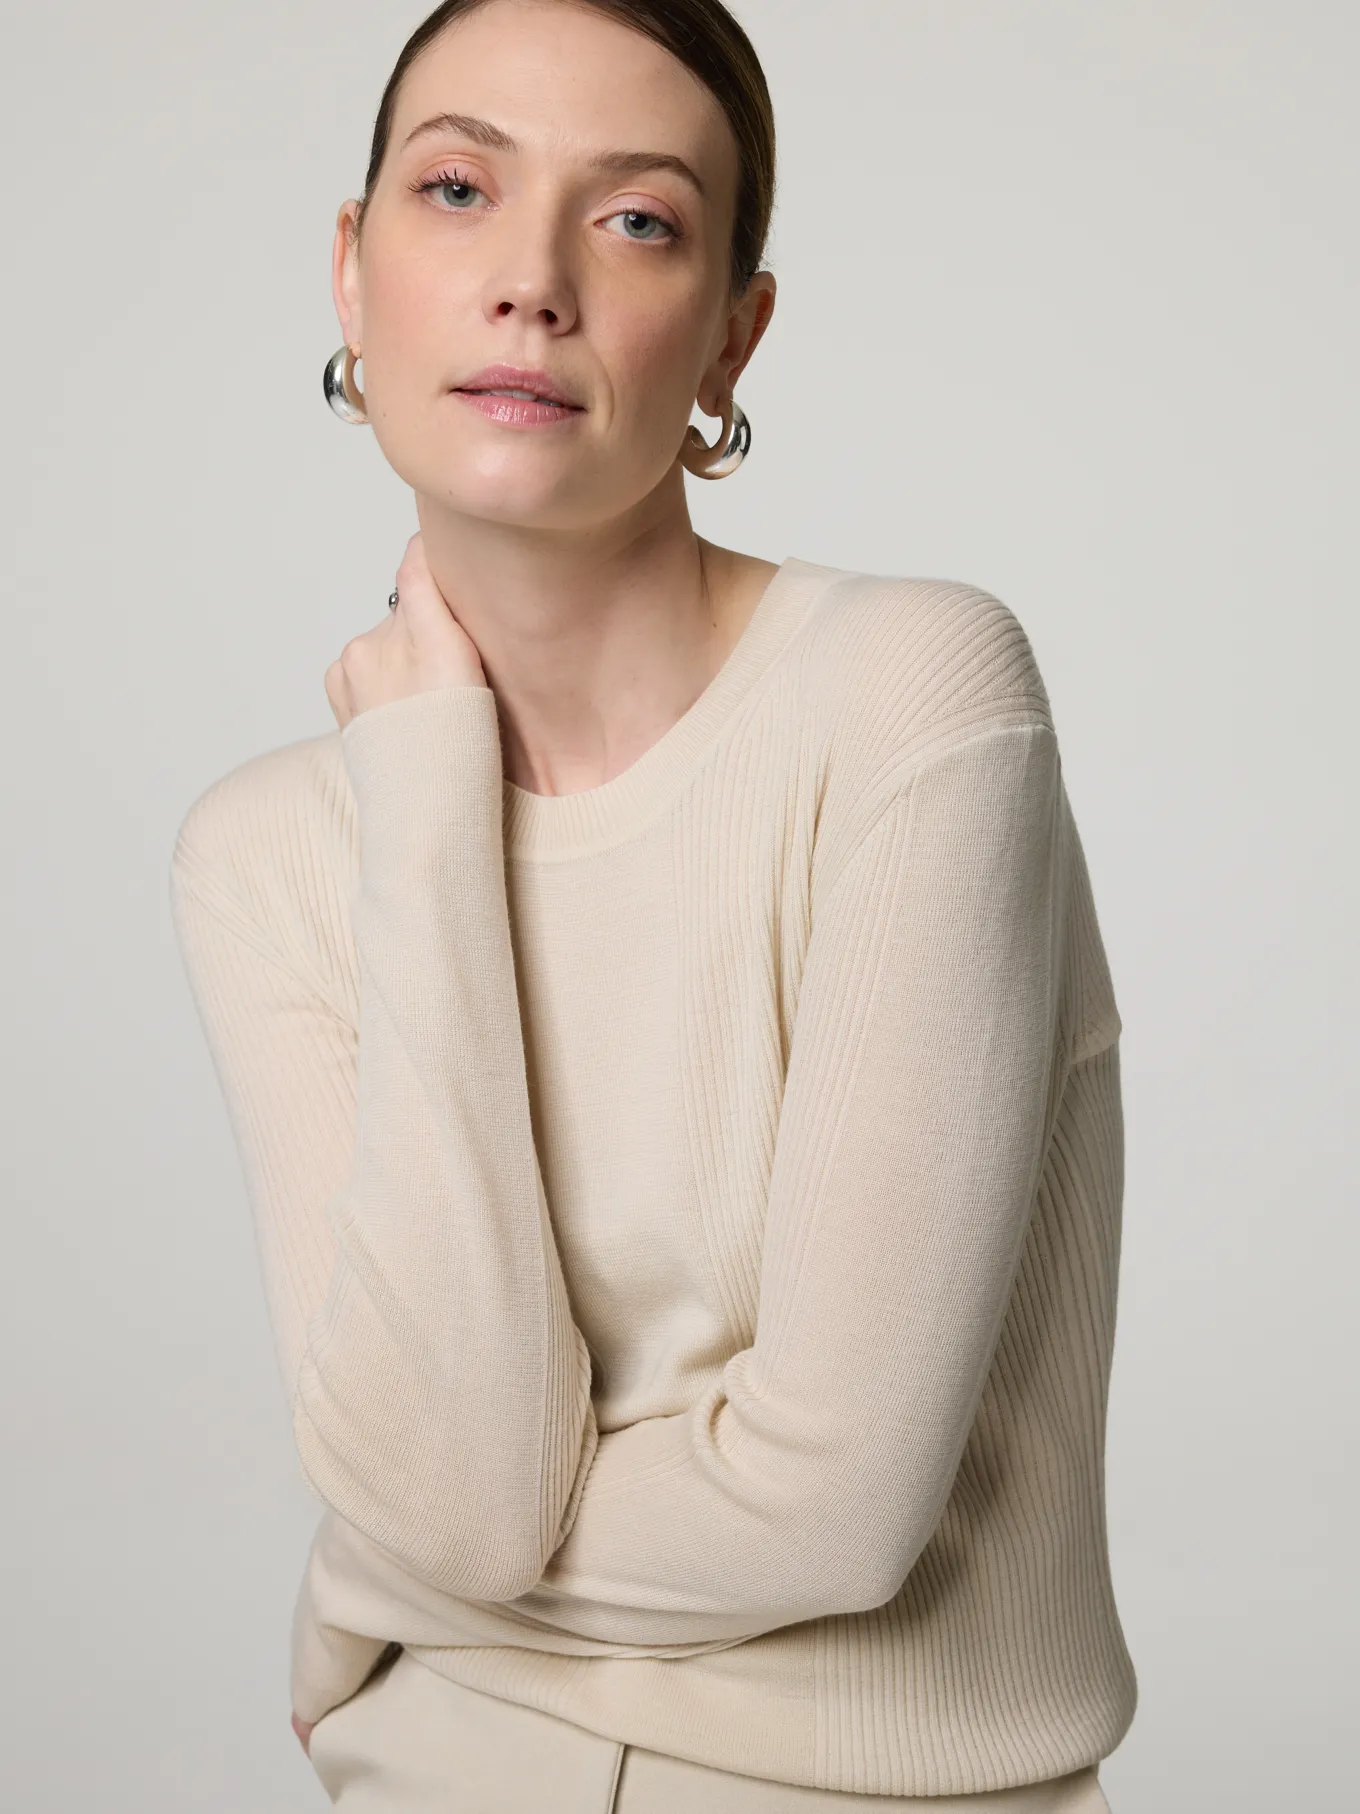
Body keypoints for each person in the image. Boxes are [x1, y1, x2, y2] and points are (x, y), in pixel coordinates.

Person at [168, 1, 1138, 1808]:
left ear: (729, 337)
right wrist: (427, 799)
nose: (531, 283)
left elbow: (831, 1507)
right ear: (353, 272)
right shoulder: (273, 845)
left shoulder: (912, 701)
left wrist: (367, 1574)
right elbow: (462, 1487)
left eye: (635, 219)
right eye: (458, 188)